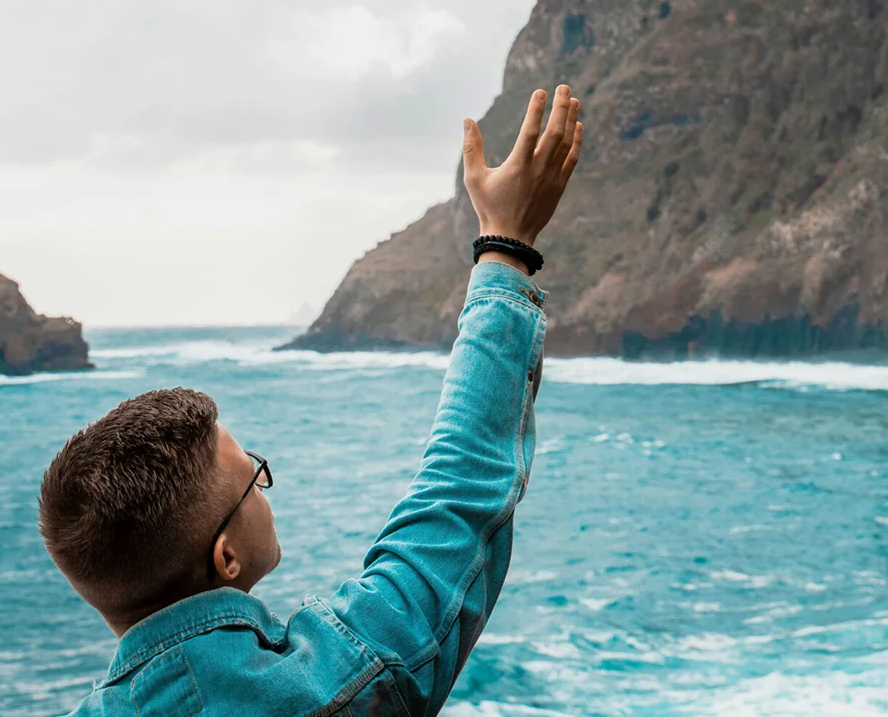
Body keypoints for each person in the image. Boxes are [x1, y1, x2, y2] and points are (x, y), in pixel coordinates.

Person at [38, 86, 585, 716]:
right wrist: (505, 246)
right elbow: (460, 488)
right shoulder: (337, 684)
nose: (266, 488)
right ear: (226, 556)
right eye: (255, 480)